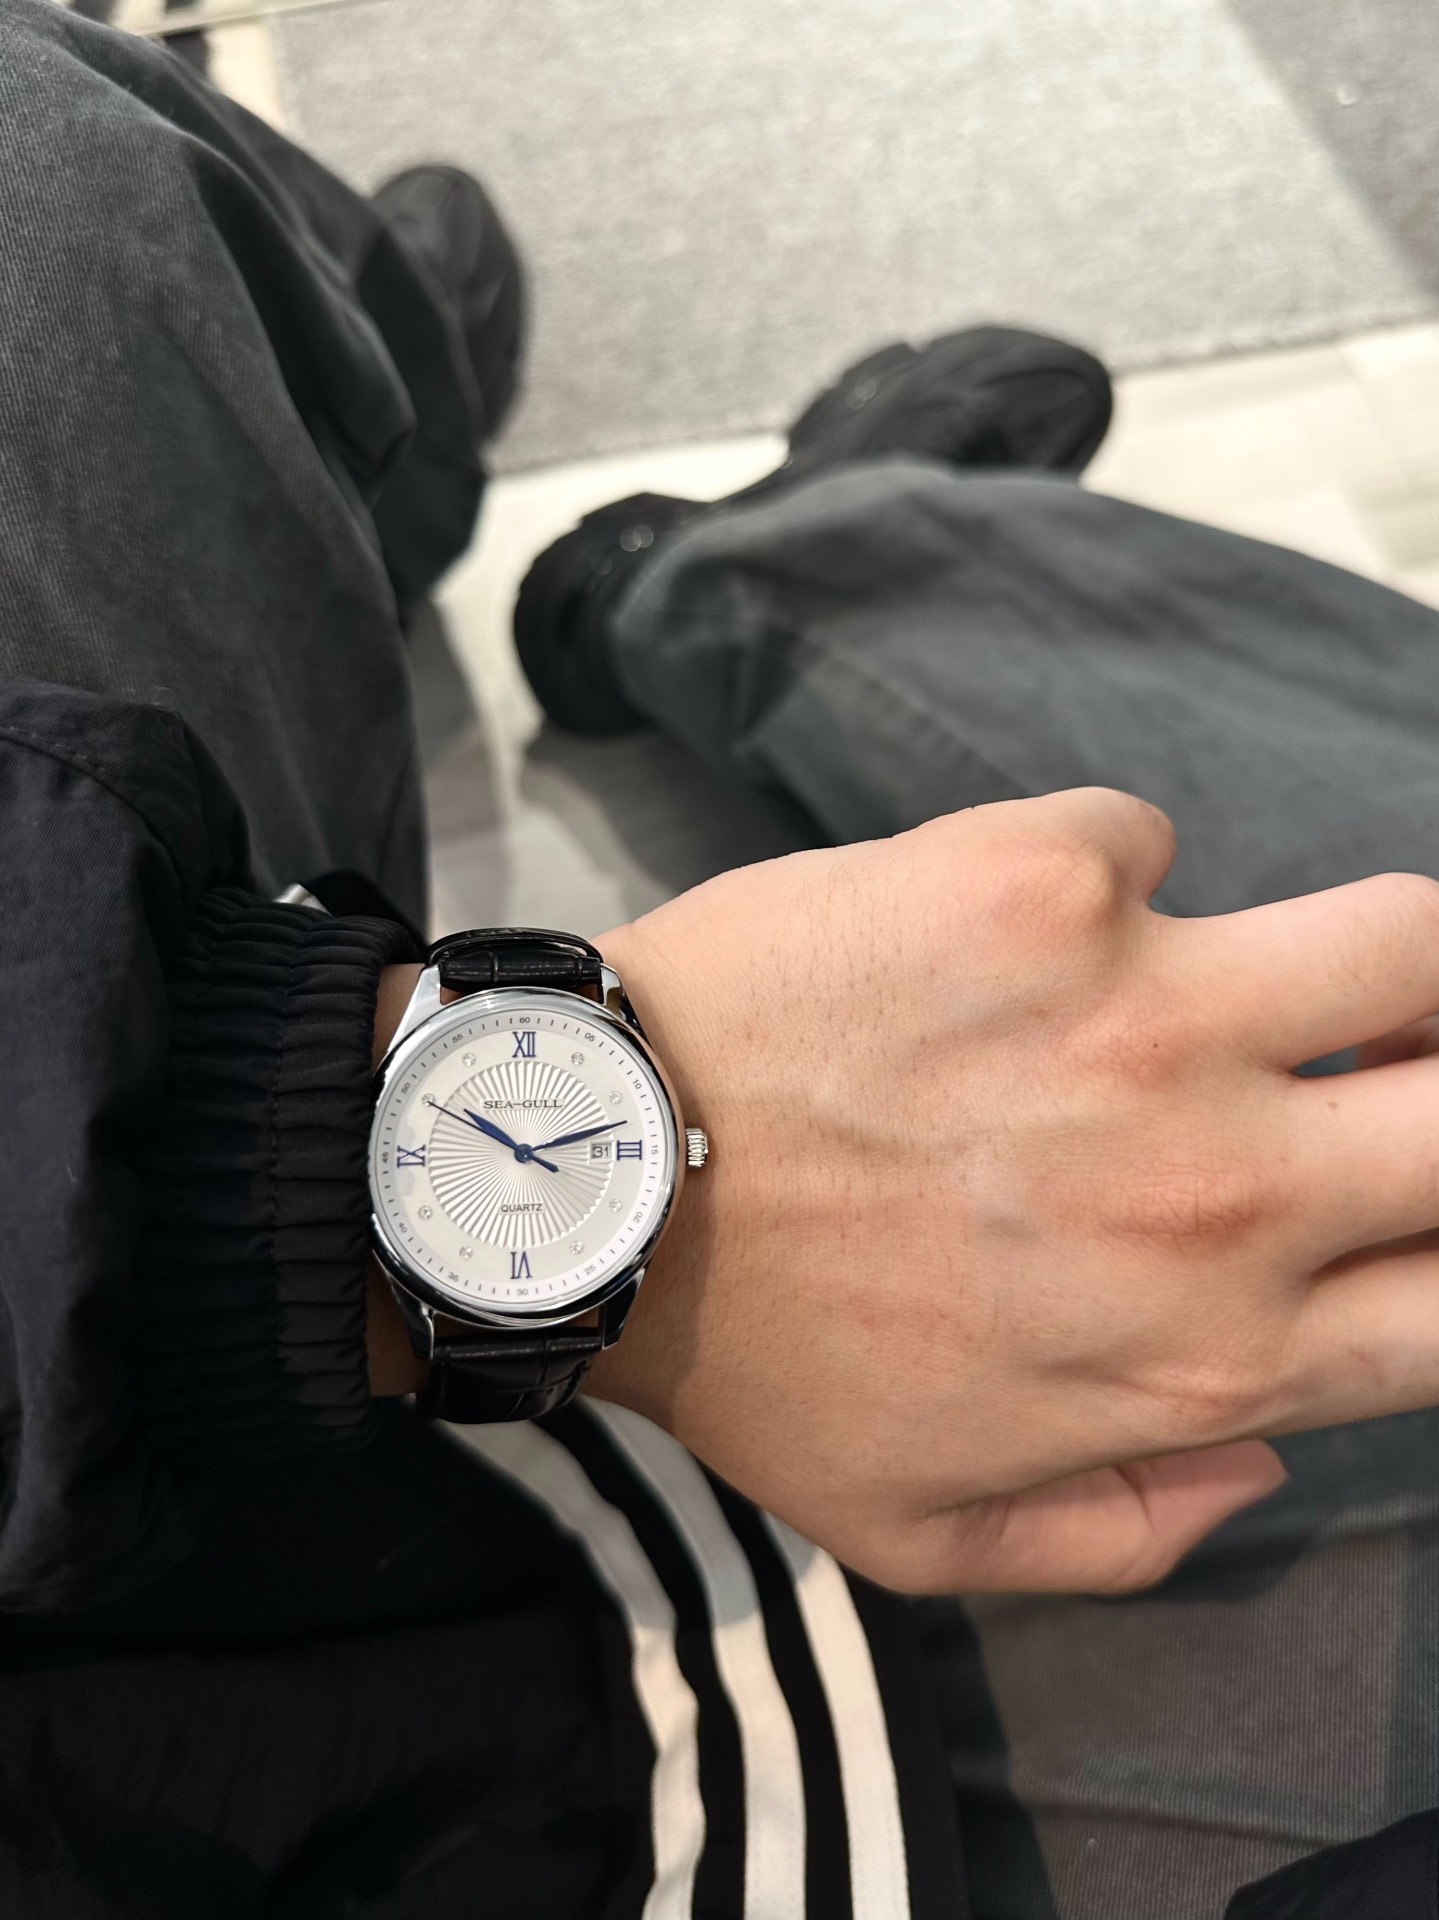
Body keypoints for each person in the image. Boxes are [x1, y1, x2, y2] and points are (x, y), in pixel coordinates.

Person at [3, 5, 1439, 1917]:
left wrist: (279, 1151)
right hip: (537, 1768)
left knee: (46, 158)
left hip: (199, 1272)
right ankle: (730, 559)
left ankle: (511, 497)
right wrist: (626, 1255)